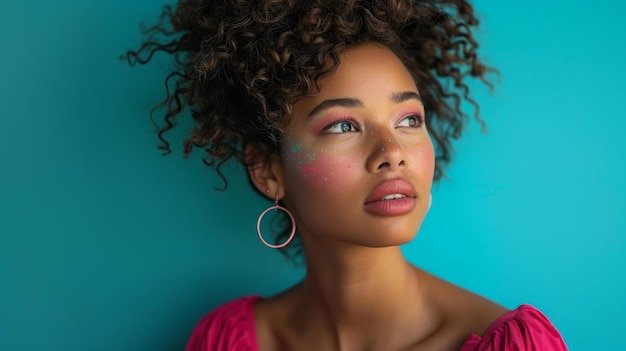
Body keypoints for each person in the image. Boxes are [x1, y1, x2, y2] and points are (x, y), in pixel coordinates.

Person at [126, 0, 568, 350]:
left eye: (409, 120)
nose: (392, 153)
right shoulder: (226, 340)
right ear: (267, 170)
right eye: (343, 126)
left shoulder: (513, 344)